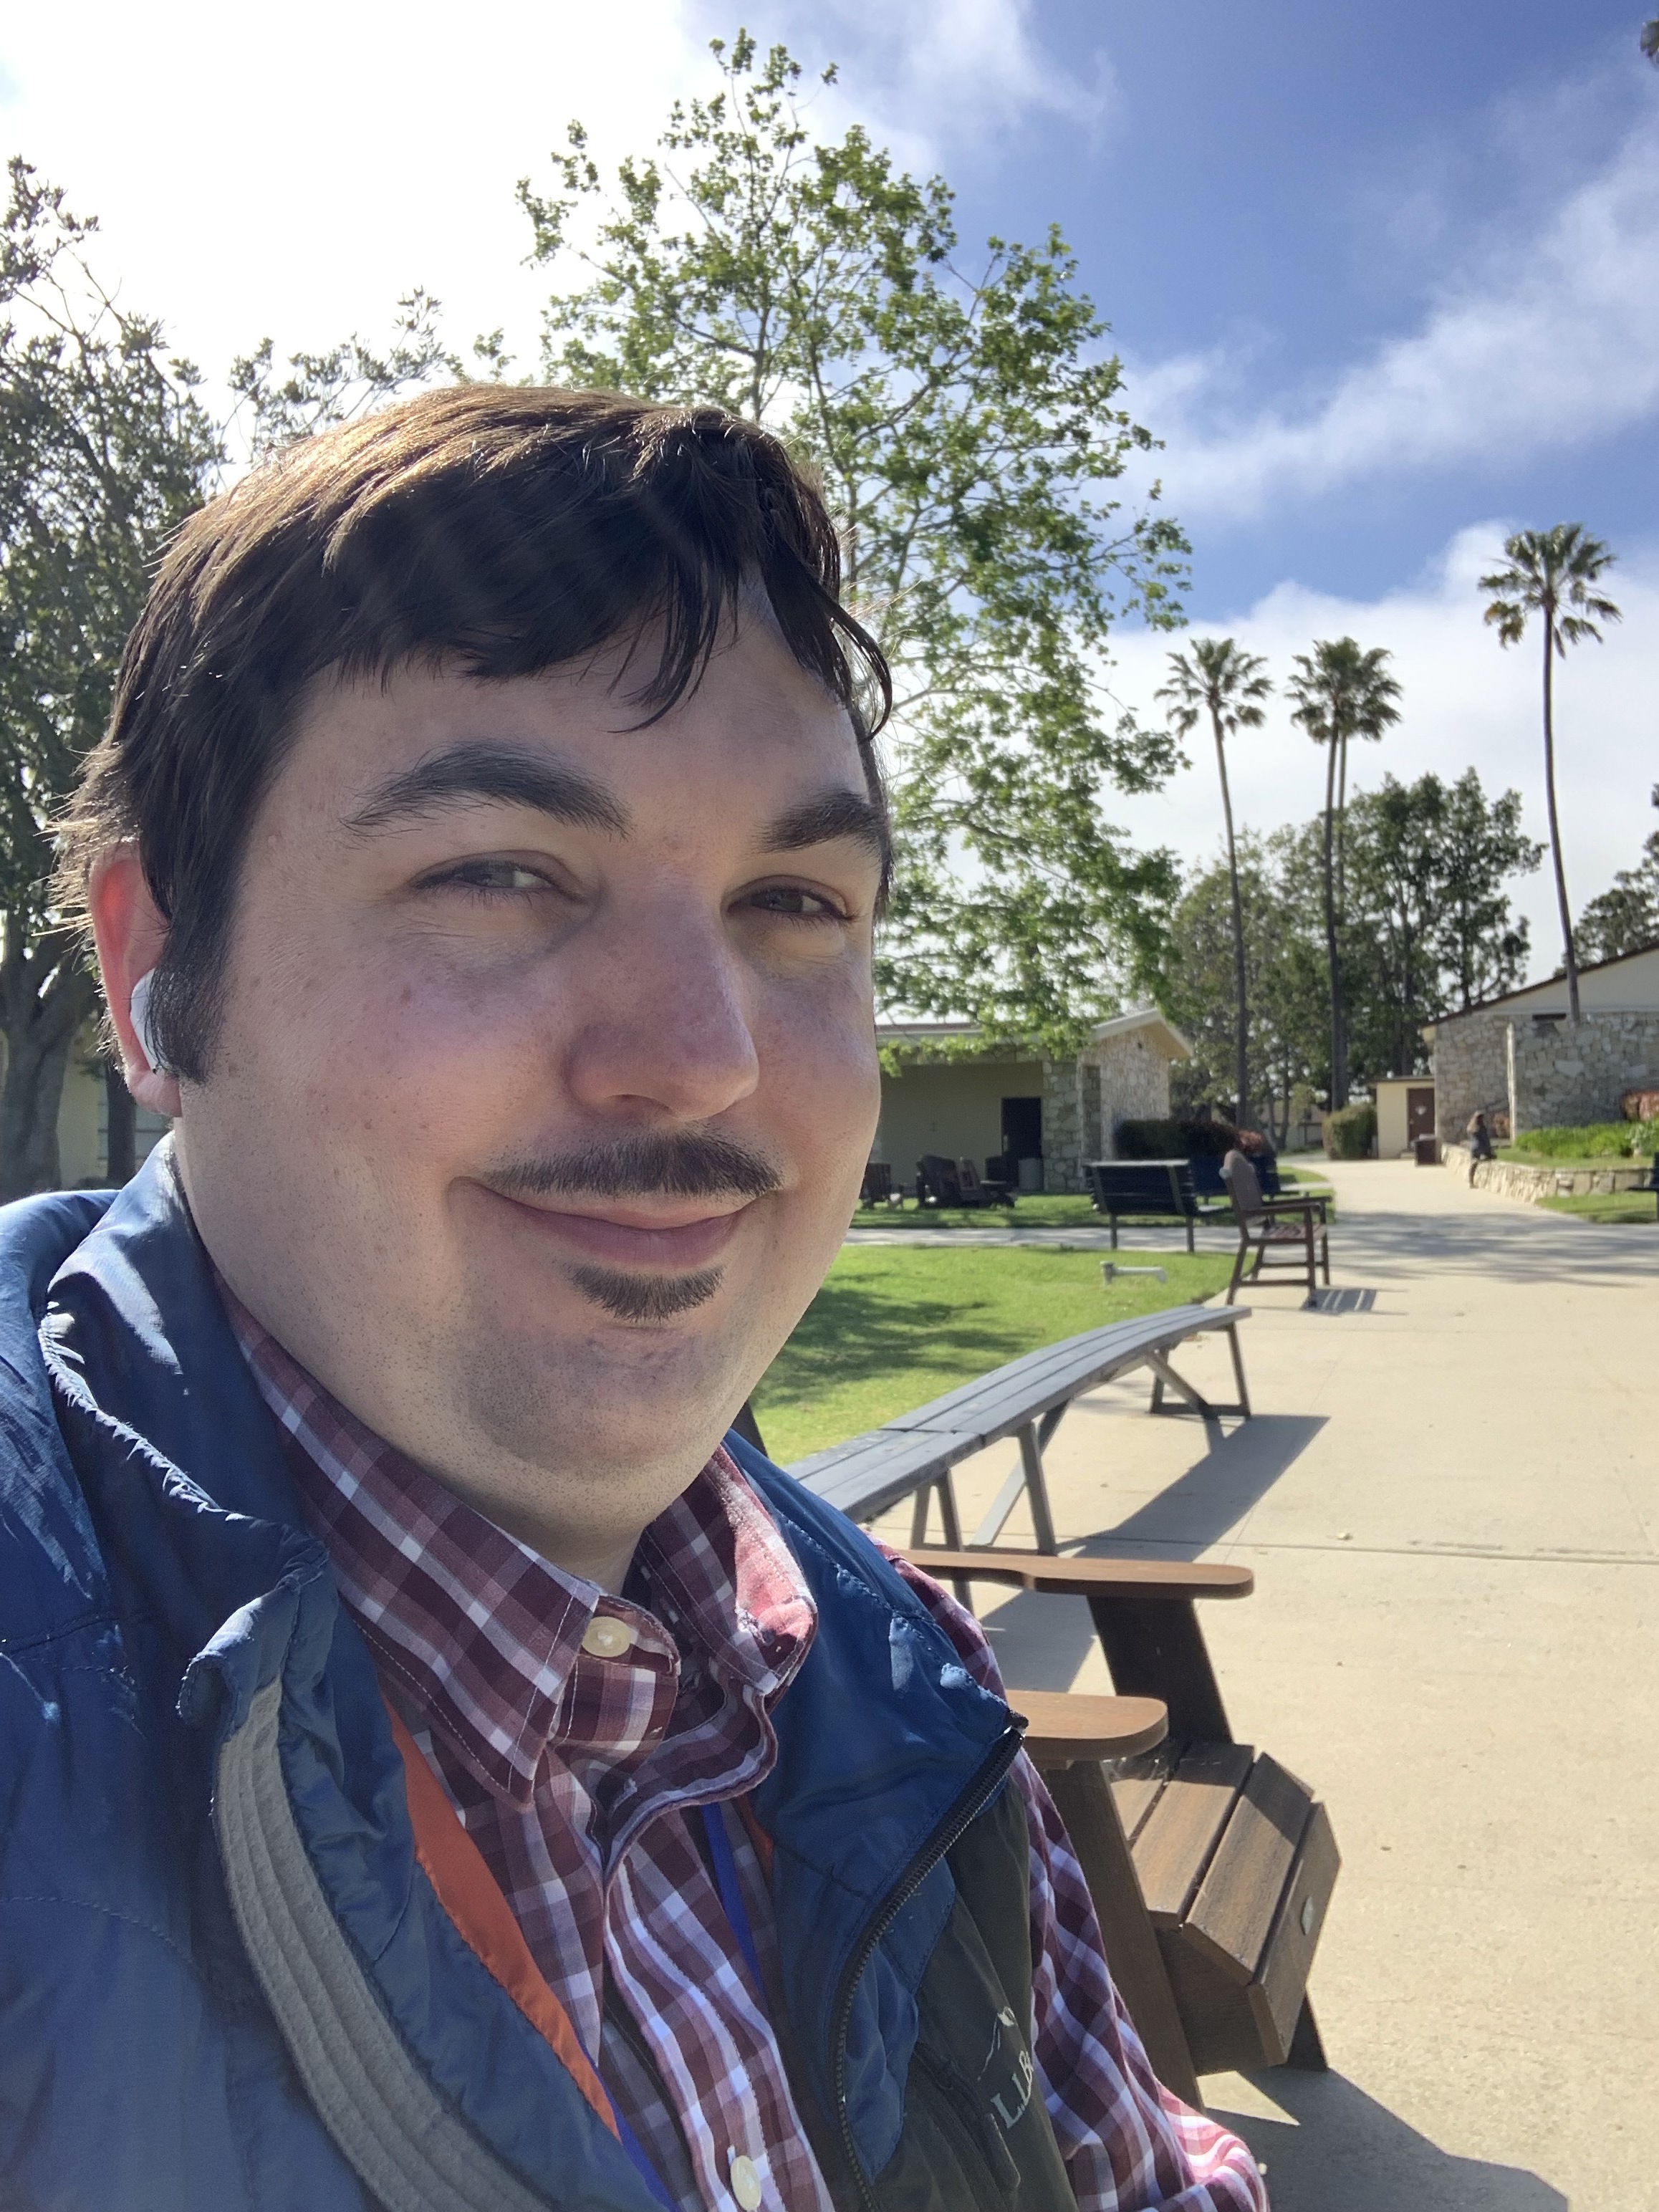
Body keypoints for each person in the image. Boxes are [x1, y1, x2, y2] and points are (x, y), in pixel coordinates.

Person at [0, 387, 1267, 2211]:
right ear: (151, 974)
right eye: (500, 872)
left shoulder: (886, 1670)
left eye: (792, 901)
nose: (699, 1057)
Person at [1466, 1110, 1495, 1183]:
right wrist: (1490, 1149)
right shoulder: (1481, 1128)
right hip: (1481, 1147)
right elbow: (1486, 1139)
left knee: (1473, 1164)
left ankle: (1471, 1181)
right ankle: (1489, 1179)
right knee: (1492, 1157)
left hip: (1473, 1148)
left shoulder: (1471, 1127)